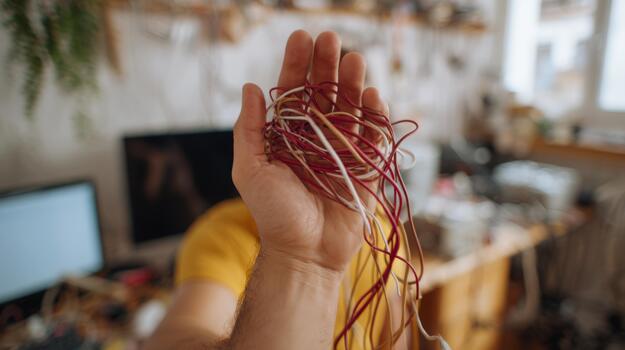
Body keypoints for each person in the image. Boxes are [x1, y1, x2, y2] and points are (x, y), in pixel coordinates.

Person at [145, 30, 412, 350]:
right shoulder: (222, 234)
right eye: (316, 128)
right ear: (282, 133)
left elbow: (395, 338)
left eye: (353, 135)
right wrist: (297, 260)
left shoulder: (381, 229)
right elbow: (172, 341)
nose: (332, 145)